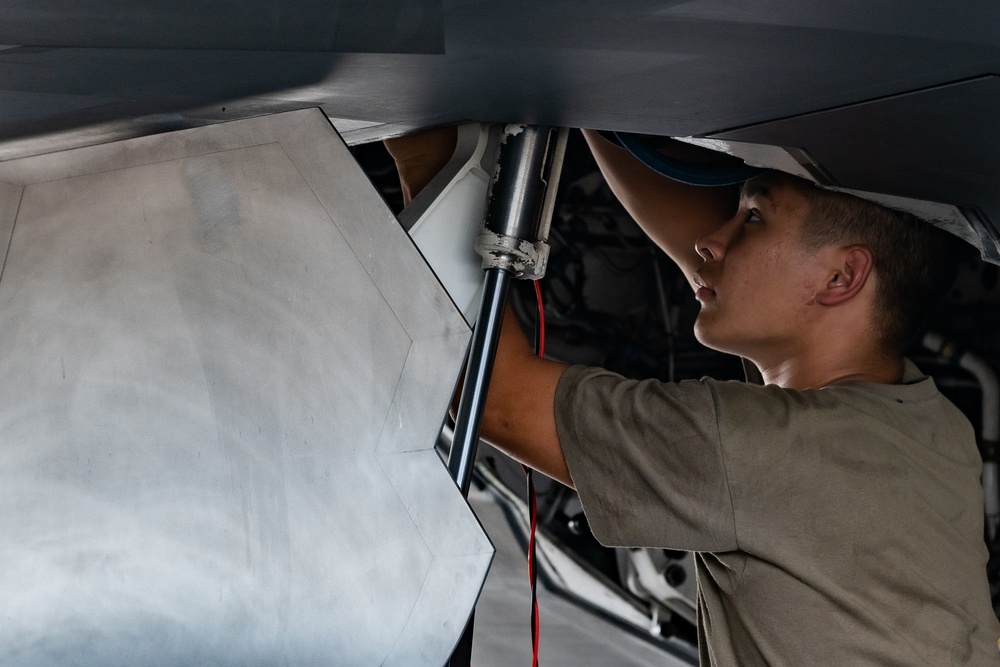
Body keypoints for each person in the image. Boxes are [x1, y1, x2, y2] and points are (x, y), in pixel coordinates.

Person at [386, 128, 1000, 665]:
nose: (712, 239)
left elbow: (497, 399)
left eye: (753, 218)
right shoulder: (924, 423)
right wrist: (599, 102)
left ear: (841, 277)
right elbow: (708, 254)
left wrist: (434, 163)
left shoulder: (762, 452)